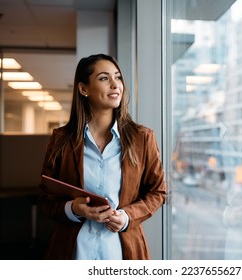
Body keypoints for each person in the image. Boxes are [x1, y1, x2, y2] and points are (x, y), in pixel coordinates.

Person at [38, 53, 167, 260]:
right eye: (104, 78)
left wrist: (126, 217)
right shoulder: (61, 139)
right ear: (83, 89)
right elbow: (45, 199)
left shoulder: (142, 138)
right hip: (74, 252)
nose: (115, 85)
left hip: (123, 254)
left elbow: (158, 192)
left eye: (118, 77)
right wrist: (73, 209)